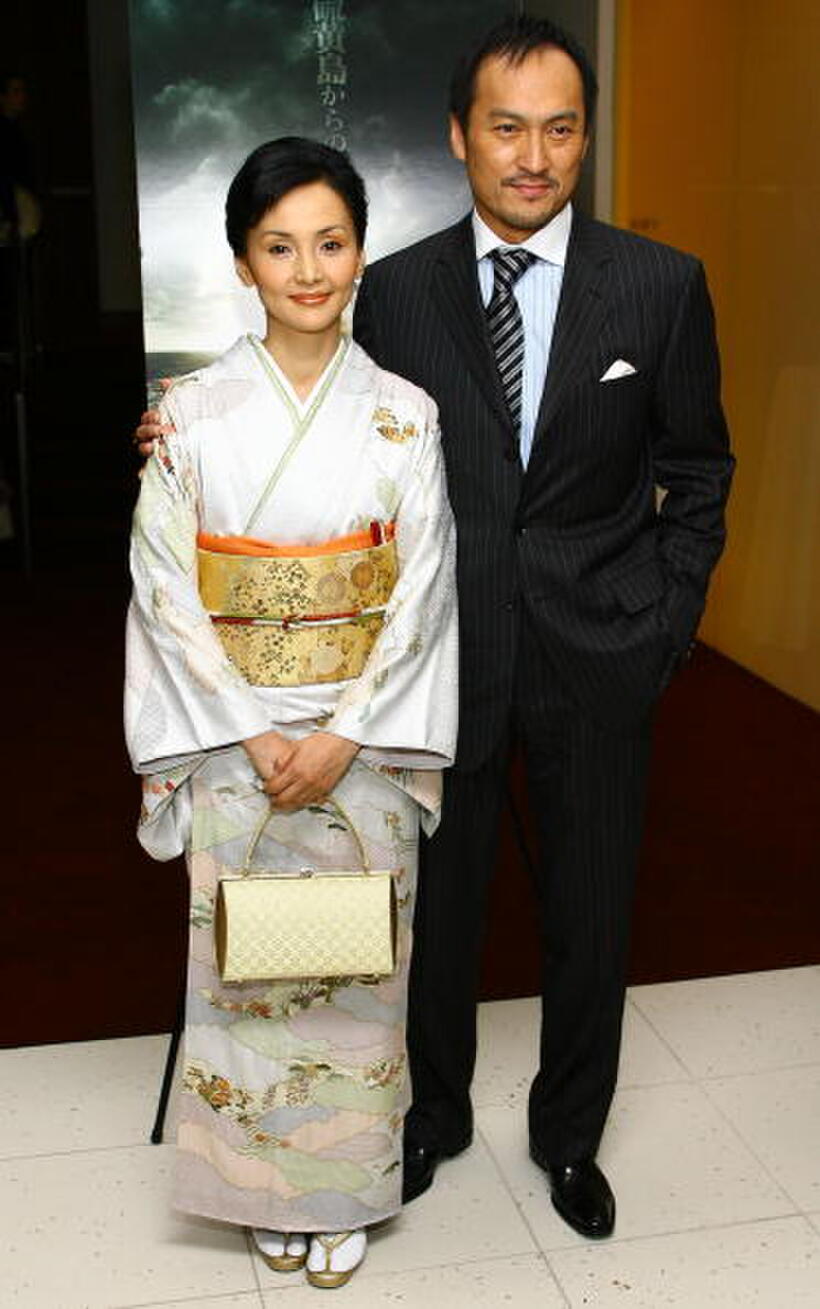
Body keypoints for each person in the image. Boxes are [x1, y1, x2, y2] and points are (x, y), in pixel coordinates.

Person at [135, 14, 734, 1241]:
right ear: (458, 134)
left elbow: (701, 470)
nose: (533, 154)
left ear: (585, 136)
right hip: (434, 666)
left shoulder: (660, 287)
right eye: (506, 126)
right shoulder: (394, 287)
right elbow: (312, 412)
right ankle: (433, 1115)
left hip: (599, 653)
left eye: (560, 127)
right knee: (434, 915)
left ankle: (570, 1139)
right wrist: (171, 432)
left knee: (590, 916)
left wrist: (665, 623)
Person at [125, 137, 457, 1288]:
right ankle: (260, 1183)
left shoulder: (404, 415)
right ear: (241, 262)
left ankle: (344, 1182)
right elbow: (165, 586)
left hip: (357, 745)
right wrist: (259, 731)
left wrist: (343, 732)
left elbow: (422, 588)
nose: (307, 269)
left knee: (358, 975)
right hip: (235, 744)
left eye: (329, 242)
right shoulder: (194, 413)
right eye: (279, 247)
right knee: (248, 972)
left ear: (360, 251)